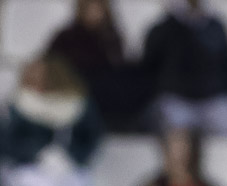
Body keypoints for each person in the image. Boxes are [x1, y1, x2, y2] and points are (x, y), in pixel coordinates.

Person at [0, 56, 103, 186]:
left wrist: (71, 156)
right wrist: (37, 153)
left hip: (66, 168)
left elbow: (92, 137)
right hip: (26, 168)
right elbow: (7, 143)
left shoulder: (76, 105)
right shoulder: (18, 106)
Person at [141, 0, 227, 136]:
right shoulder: (163, 29)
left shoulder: (217, 27)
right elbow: (149, 67)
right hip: (176, 100)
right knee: (173, 130)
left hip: (213, 100)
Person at [46, 0, 151, 132]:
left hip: (105, 92)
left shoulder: (110, 36)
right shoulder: (66, 37)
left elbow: (116, 65)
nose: (95, 14)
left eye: (98, 9)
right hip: (76, 88)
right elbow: (52, 66)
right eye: (90, 9)